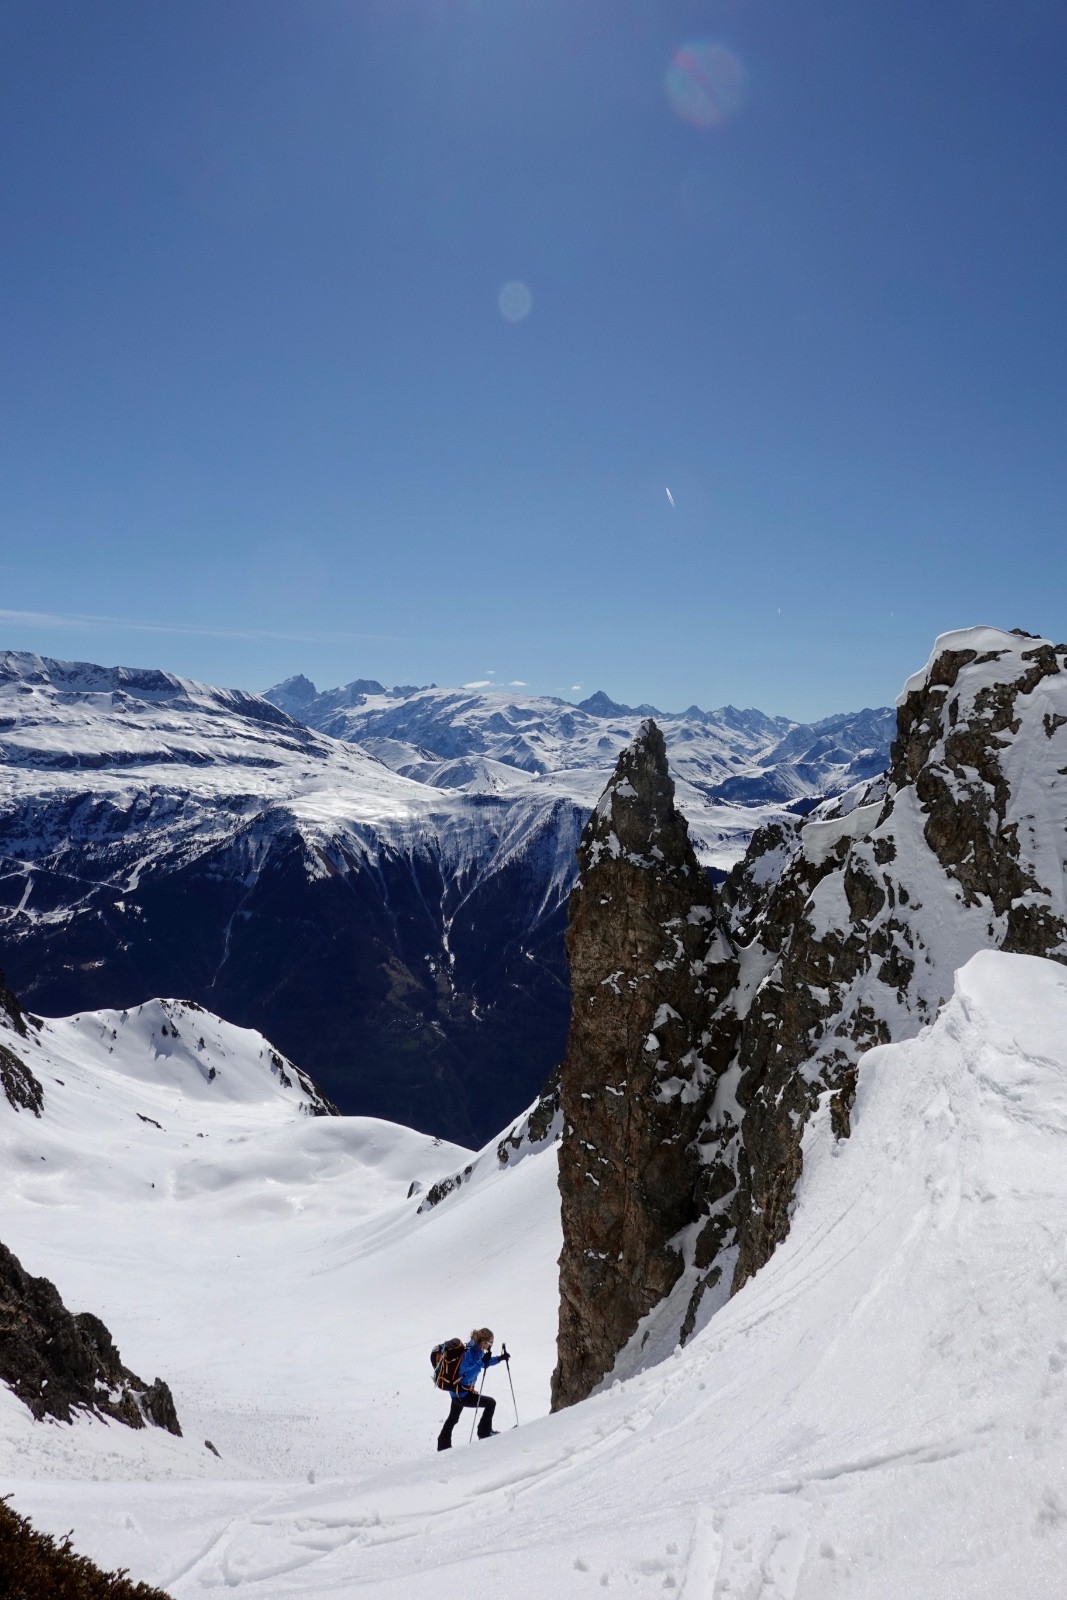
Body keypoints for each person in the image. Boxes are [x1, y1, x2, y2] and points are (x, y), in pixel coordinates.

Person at [437, 1327, 509, 1450]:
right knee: (490, 1403)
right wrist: (481, 1363)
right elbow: (465, 1375)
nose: (491, 1346)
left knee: (453, 1418)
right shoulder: (469, 1353)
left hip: (457, 1393)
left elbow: (482, 1362)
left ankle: (443, 1446)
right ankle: (484, 1433)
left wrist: (499, 1359)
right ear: (484, 1342)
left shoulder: (477, 1350)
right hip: (462, 1394)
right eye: (490, 1343)